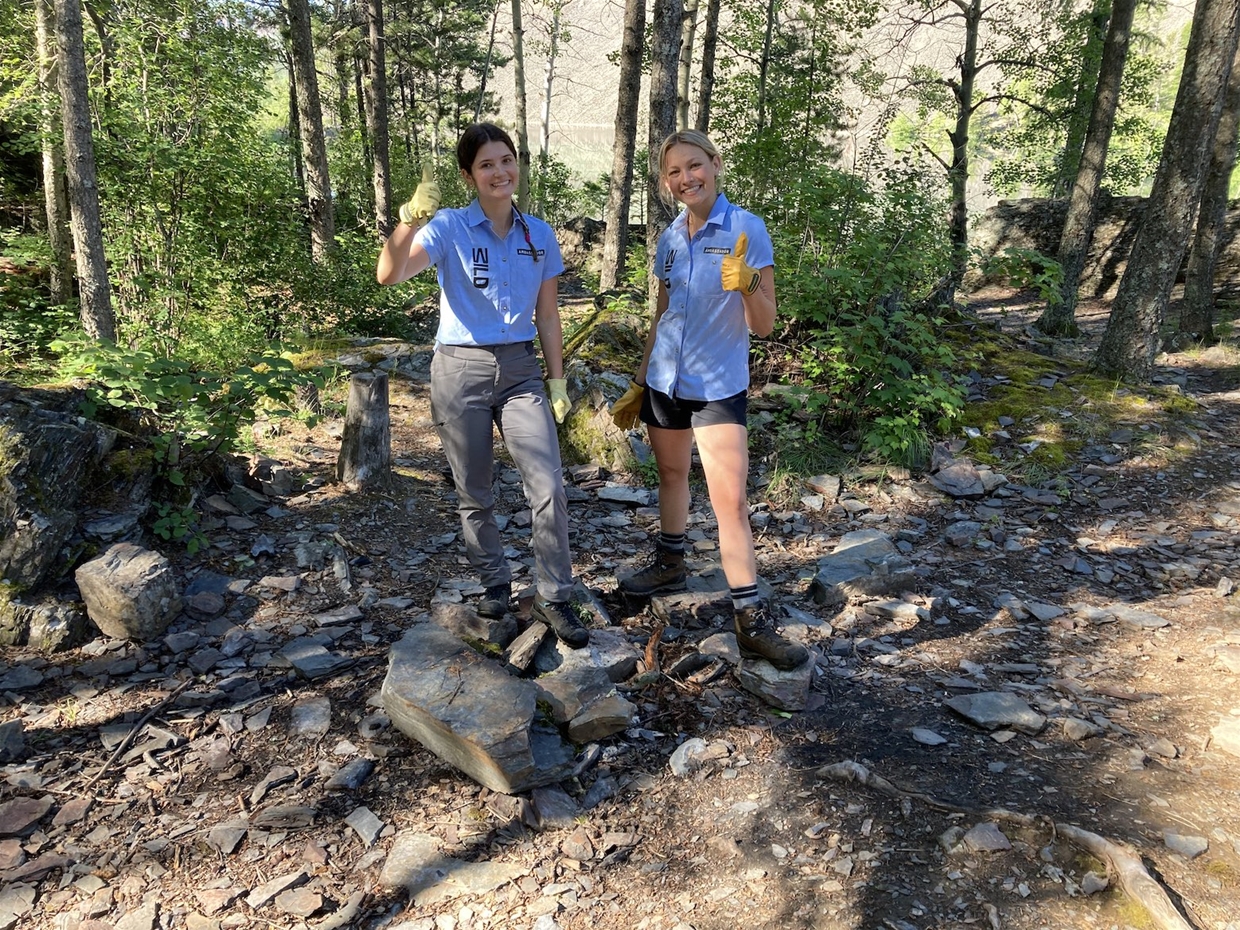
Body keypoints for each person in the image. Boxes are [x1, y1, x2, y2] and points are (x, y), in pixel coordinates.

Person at [377, 122, 587, 647]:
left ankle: (554, 595)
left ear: (518, 165)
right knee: (474, 489)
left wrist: (556, 380)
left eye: (507, 160)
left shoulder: (539, 233)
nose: (500, 172)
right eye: (487, 164)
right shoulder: (447, 227)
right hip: (459, 369)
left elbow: (548, 314)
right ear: (469, 174)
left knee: (548, 483)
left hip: (519, 369)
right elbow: (391, 274)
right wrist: (407, 224)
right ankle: (495, 584)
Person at [611, 129, 808, 670]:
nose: (685, 179)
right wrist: (639, 376)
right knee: (671, 477)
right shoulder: (671, 236)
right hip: (665, 380)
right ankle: (670, 563)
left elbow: (765, 326)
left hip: (718, 386)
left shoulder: (747, 227)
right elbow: (663, 311)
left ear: (715, 165)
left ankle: (750, 619)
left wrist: (747, 283)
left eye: (694, 166)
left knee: (730, 502)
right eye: (673, 172)